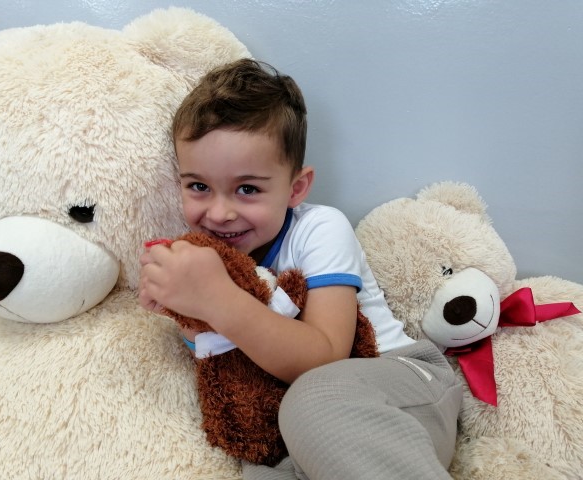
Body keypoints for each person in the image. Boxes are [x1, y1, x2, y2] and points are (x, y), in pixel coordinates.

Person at [138, 58, 462, 479]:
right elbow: (231, 365)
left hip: (399, 385)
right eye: (198, 186)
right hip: (305, 423)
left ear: (296, 188)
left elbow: (324, 357)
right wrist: (184, 312)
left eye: (247, 189)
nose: (219, 213)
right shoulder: (207, 257)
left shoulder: (320, 229)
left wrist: (216, 300)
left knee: (313, 400)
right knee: (263, 467)